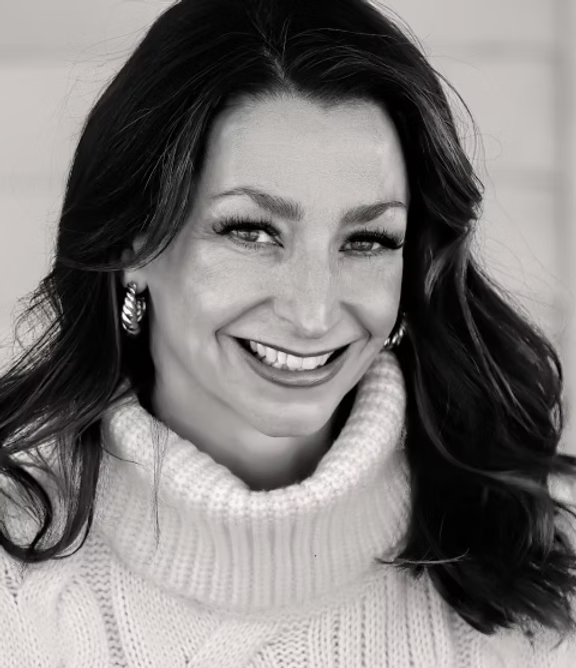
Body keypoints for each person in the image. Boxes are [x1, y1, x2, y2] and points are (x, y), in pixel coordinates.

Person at [0, 0, 575, 665]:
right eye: (251, 232)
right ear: (134, 245)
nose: (313, 313)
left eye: (368, 240)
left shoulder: (543, 561)